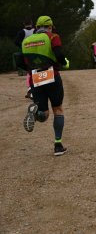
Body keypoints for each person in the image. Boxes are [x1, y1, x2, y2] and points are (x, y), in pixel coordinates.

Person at [21, 15, 69, 156]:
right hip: (52, 75)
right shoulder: (53, 37)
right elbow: (59, 55)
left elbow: (24, 62)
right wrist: (64, 62)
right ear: (50, 26)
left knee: (44, 114)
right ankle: (58, 145)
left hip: (36, 78)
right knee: (58, 109)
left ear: (37, 26)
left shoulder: (27, 41)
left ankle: (35, 114)